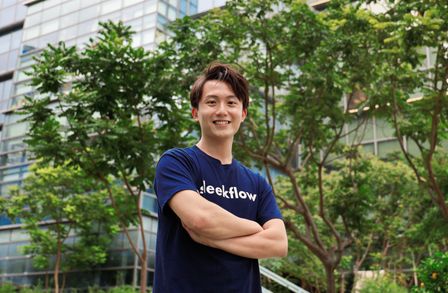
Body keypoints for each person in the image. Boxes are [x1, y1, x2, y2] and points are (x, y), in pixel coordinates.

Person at [153, 62, 288, 293]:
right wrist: (256, 228)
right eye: (212, 102)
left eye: (231, 103)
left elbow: (278, 243)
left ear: (243, 113)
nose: (222, 111)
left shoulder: (257, 183)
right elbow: (201, 220)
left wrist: (211, 239)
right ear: (196, 112)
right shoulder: (176, 162)